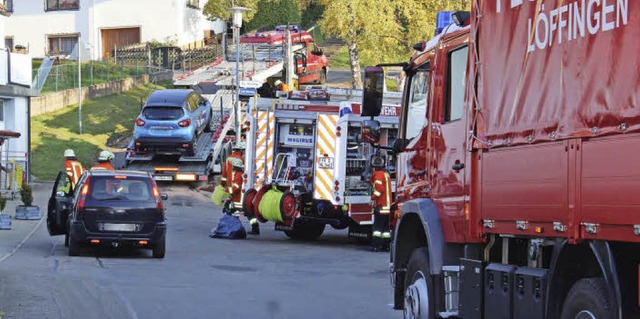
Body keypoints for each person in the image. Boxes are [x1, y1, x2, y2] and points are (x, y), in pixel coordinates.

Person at [369, 154, 392, 252]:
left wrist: (372, 198)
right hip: (387, 206)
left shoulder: (378, 174)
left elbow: (379, 189)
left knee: (377, 228)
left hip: (381, 205)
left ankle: (376, 246)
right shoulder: (385, 173)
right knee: (386, 229)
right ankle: (386, 246)